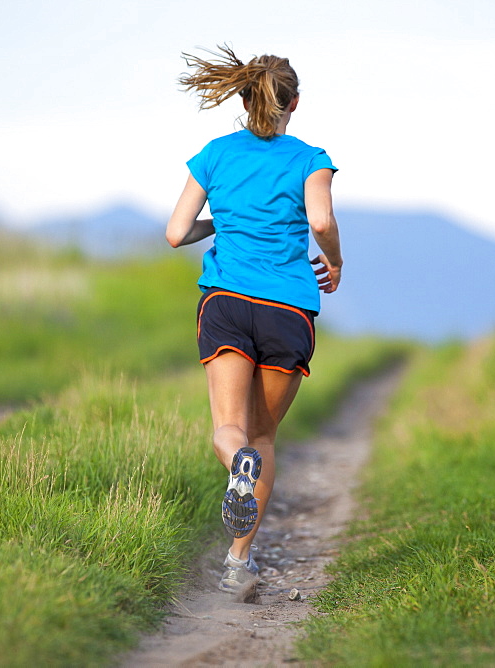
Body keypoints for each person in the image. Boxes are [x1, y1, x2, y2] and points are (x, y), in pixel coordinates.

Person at [166, 45, 343, 595]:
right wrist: (334, 260)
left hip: (225, 302)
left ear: (244, 98)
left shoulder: (216, 154)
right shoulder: (310, 158)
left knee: (231, 429)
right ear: (296, 103)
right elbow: (320, 218)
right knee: (265, 435)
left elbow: (176, 232)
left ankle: (233, 460)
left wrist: (222, 224)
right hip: (288, 307)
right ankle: (237, 564)